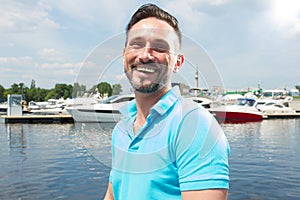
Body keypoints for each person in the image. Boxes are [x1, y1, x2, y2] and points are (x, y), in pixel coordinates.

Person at [104, 3, 230, 200]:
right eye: (136, 44)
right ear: (124, 55)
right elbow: (112, 194)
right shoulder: (121, 129)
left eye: (159, 47)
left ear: (177, 62)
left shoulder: (197, 127)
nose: (145, 55)